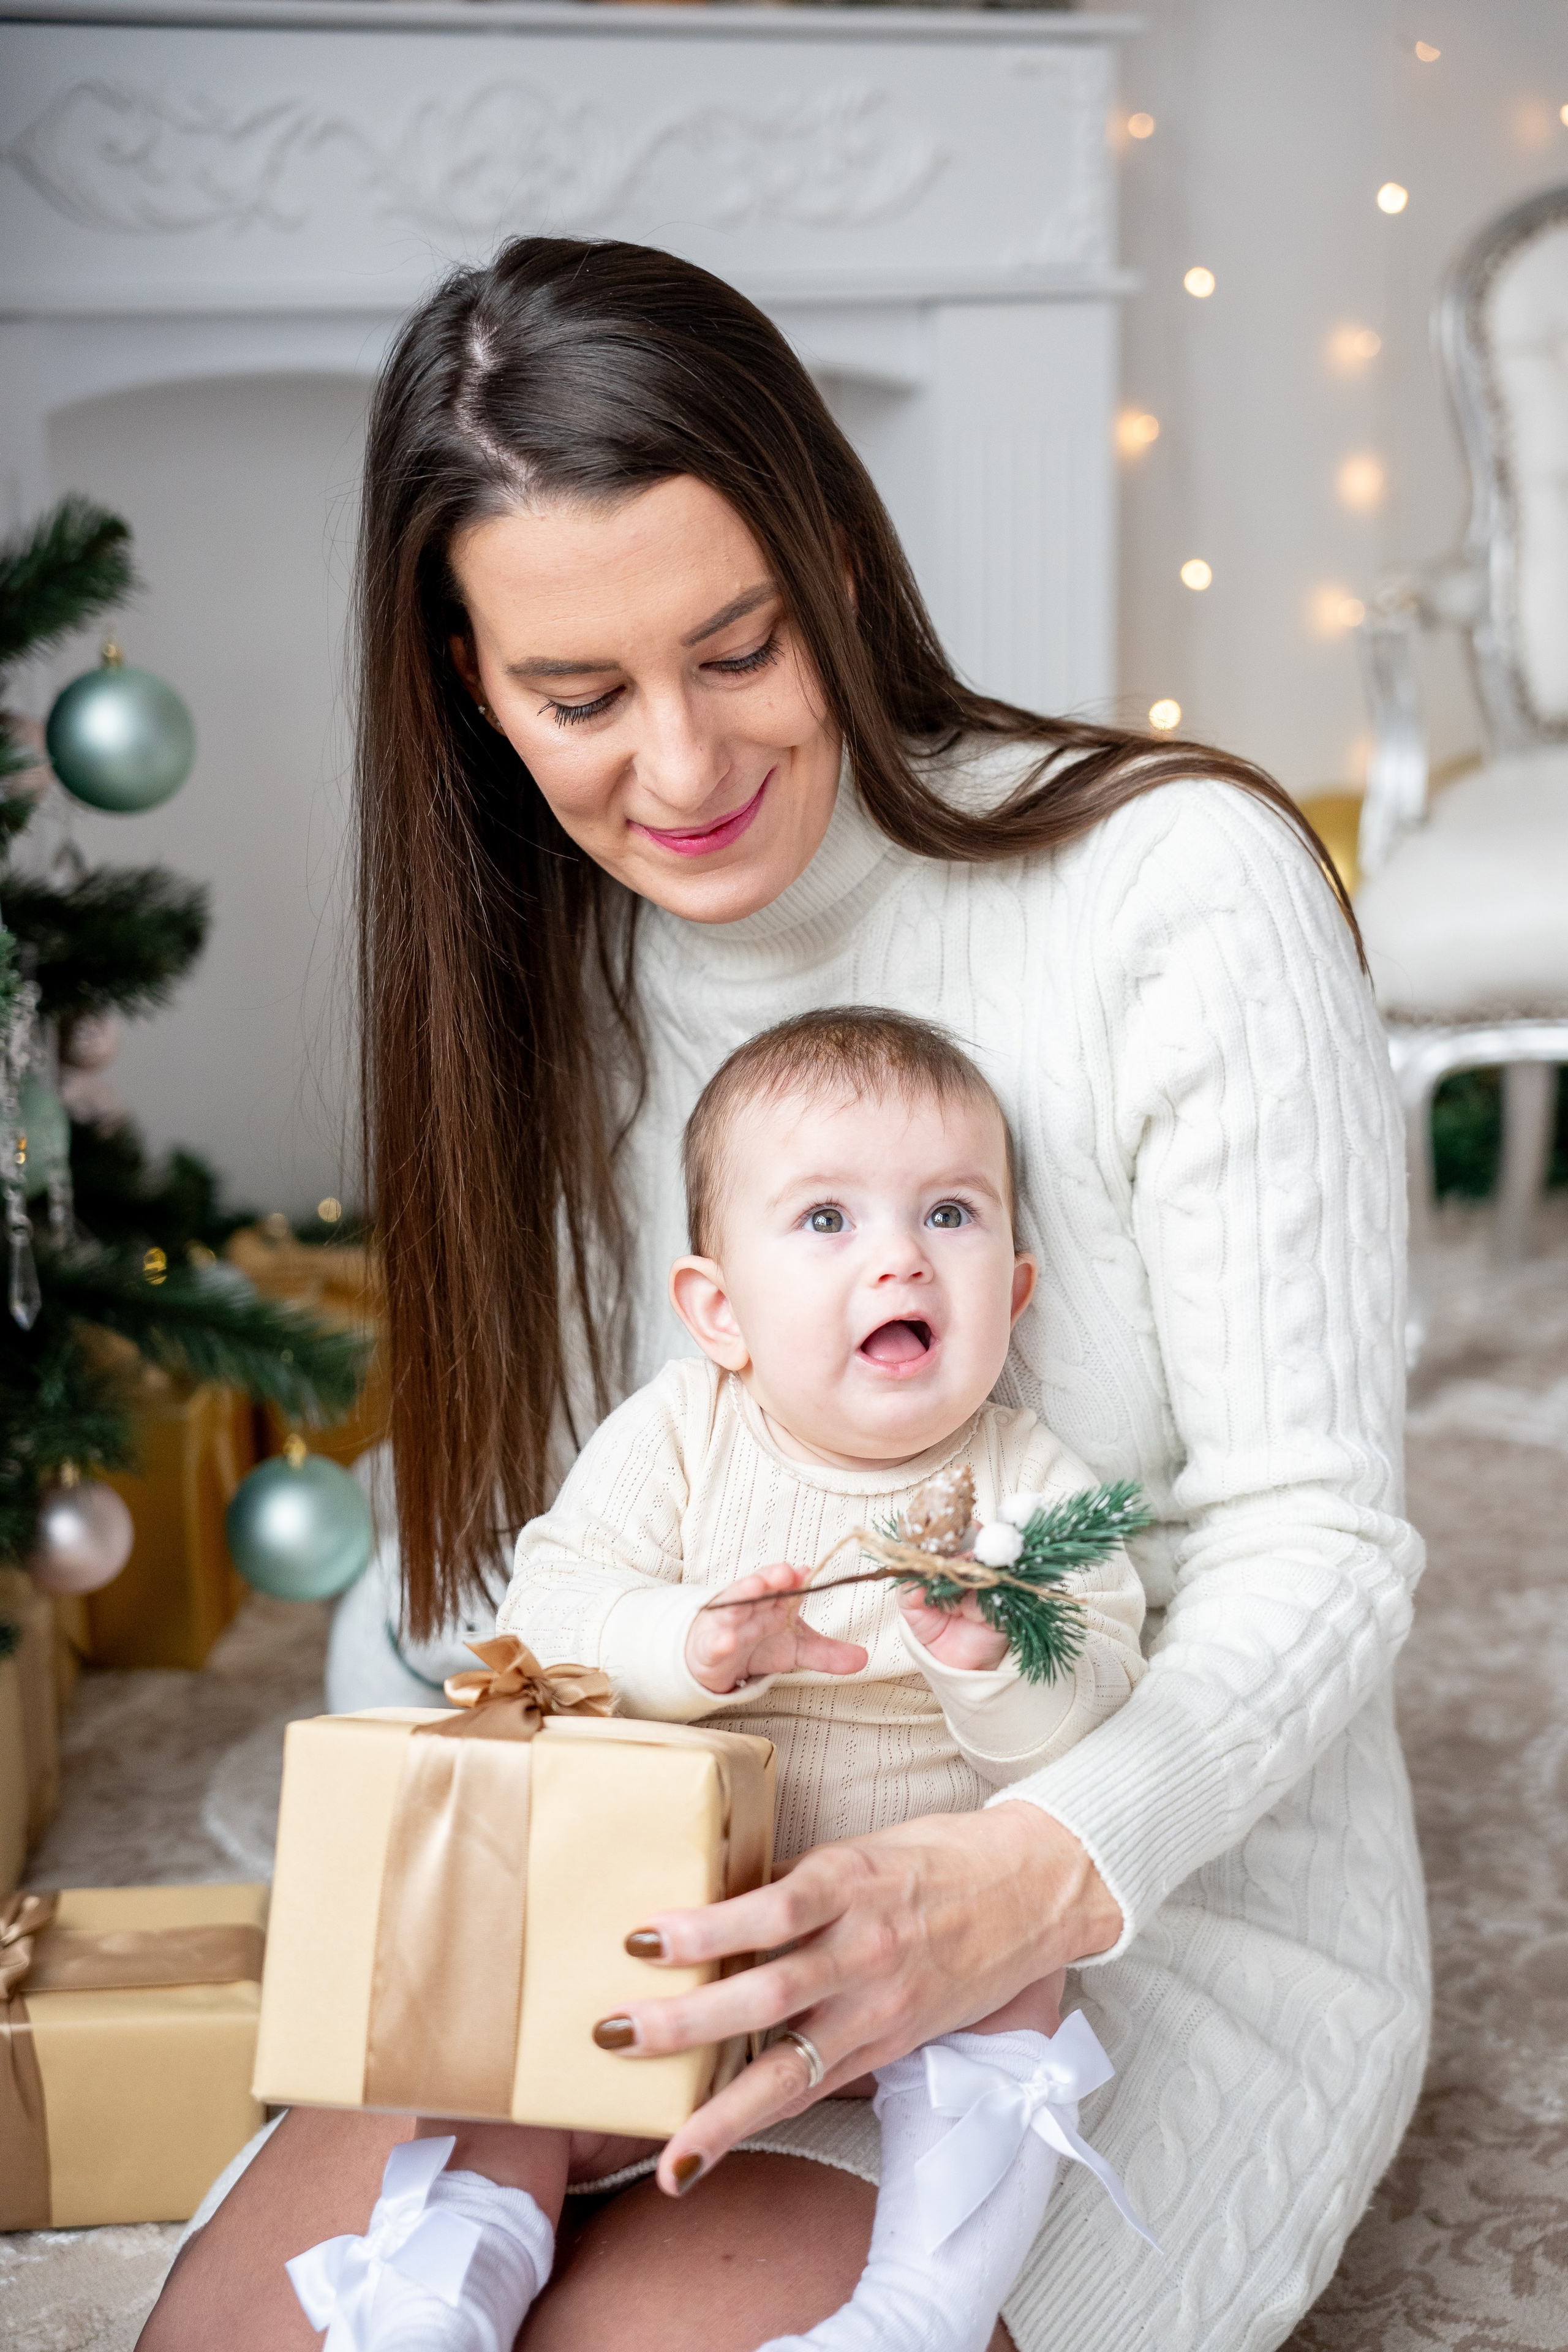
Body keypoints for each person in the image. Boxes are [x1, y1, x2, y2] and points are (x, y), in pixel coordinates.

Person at [141, 236, 1428, 2352]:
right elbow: (544, 1582)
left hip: (1134, 1890)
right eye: (578, 696)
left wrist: (1027, 1873)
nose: (679, 766)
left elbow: (1320, 1539)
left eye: (737, 648)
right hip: (681, 1862)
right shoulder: (529, 983)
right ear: (470, 684)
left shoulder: (1174, 884)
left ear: (836, 559)